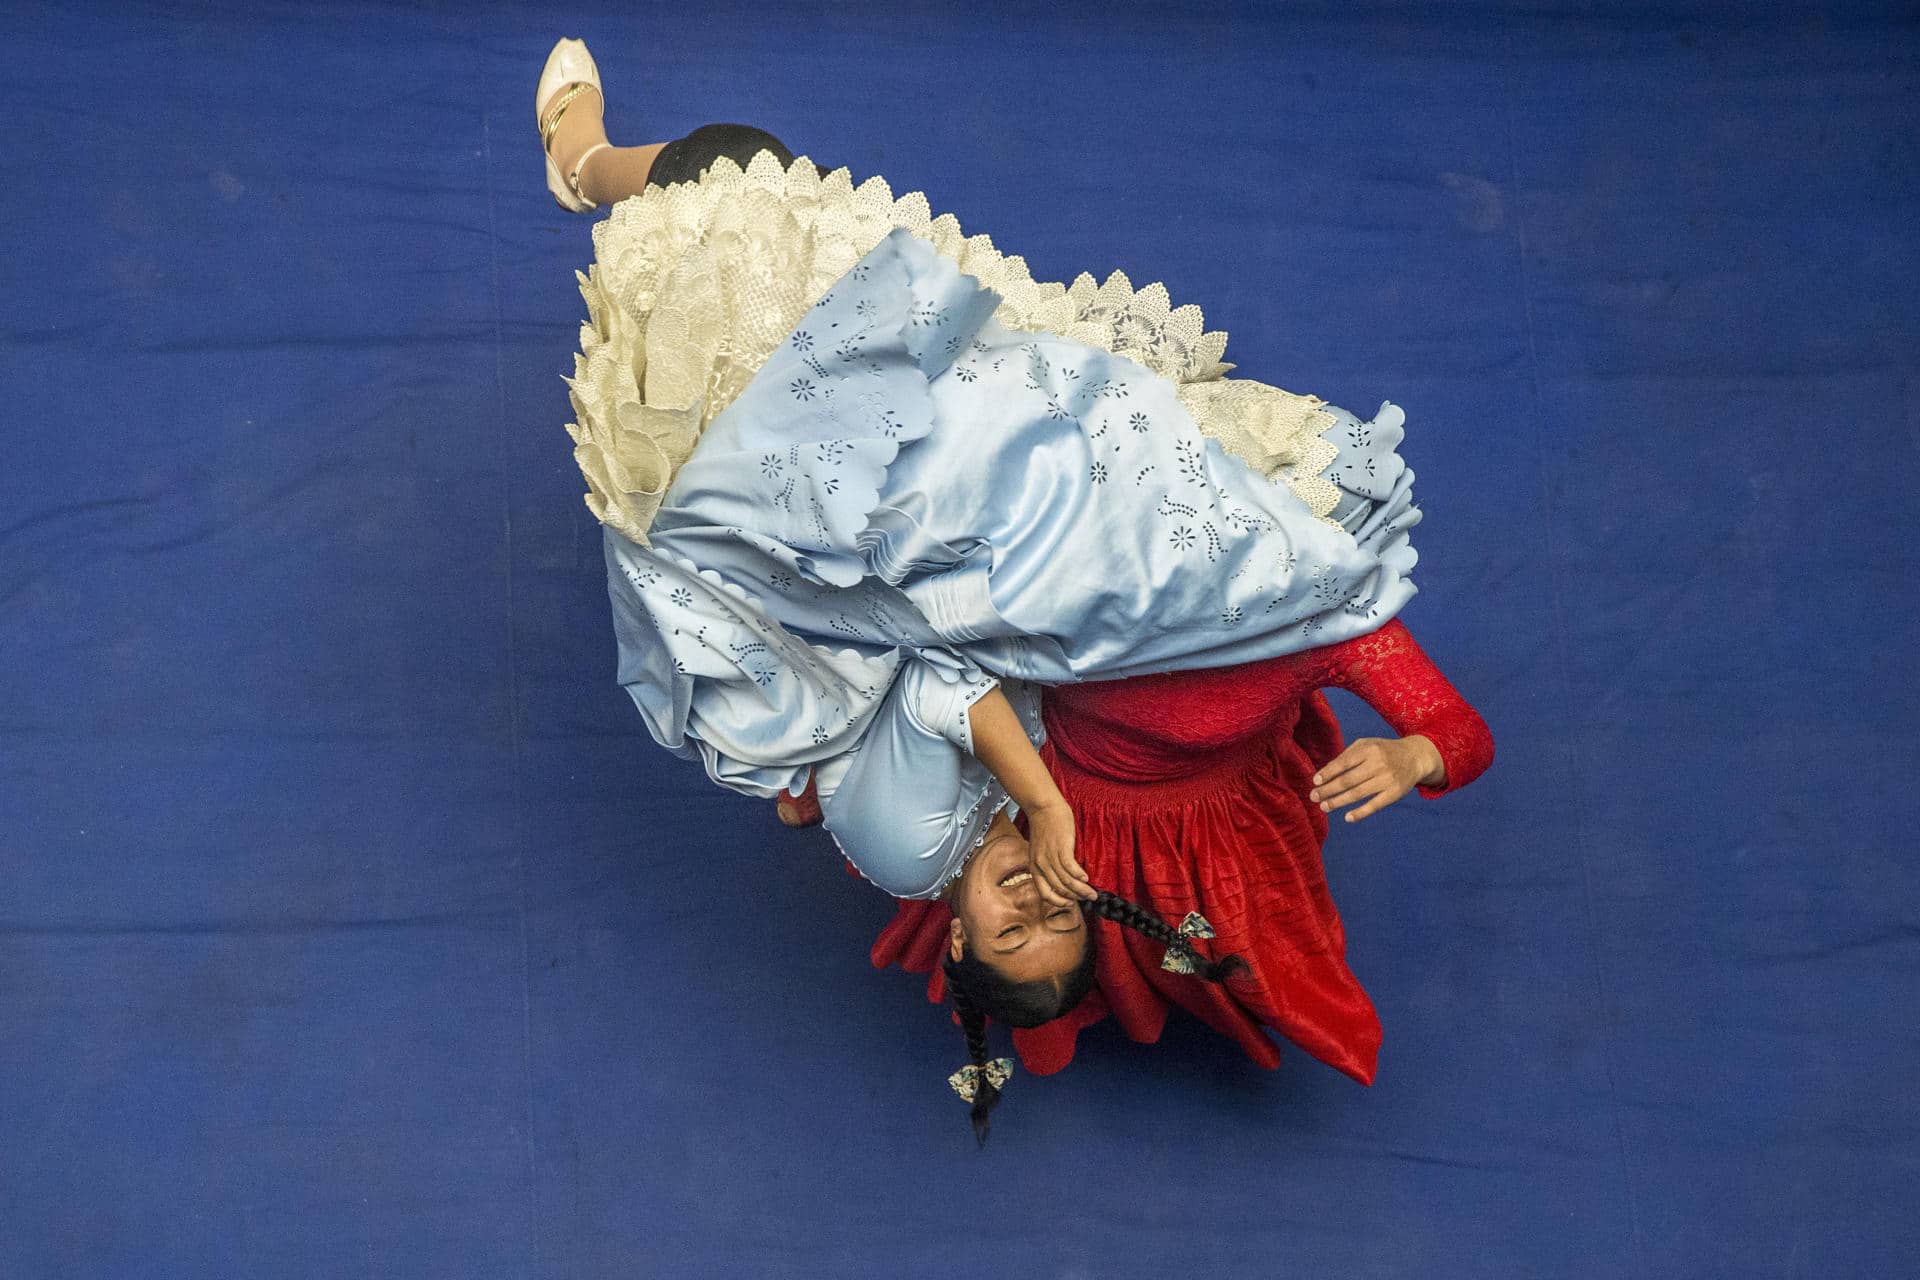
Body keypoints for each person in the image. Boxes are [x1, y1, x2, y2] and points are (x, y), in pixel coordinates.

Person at [537, 38, 1491, 1140]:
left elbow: (942, 681)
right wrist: (1419, 752)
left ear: (960, 930)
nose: (1040, 899)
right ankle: (607, 170)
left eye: (1010, 925)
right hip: (952, 581)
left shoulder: (1295, 644)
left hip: (837, 587)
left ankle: (591, 163)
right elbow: (1456, 728)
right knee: (747, 179)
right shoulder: (1282, 571)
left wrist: (994, 792)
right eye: (1058, 914)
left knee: (727, 175)